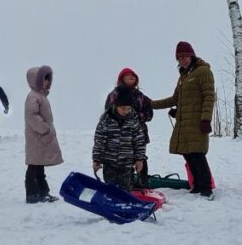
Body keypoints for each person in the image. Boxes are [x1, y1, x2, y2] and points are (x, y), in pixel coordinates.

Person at [152, 41, 216, 199]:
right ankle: (197, 185)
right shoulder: (183, 77)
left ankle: (206, 188)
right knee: (188, 154)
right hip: (184, 122)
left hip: (197, 121)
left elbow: (209, 97)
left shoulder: (203, 72)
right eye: (179, 58)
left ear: (192, 55)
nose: (182, 60)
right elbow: (175, 99)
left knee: (197, 154)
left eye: (185, 56)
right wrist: (151, 104)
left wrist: (206, 119)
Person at [104, 67, 153, 185]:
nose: (131, 77)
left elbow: (149, 113)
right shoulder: (114, 94)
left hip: (139, 133)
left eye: (133, 75)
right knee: (124, 159)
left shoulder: (141, 95)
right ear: (121, 79)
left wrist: (137, 117)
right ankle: (126, 184)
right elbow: (108, 112)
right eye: (127, 75)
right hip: (120, 134)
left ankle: (143, 184)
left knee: (141, 158)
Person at [92, 86, 146, 190]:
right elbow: (99, 141)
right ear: (115, 106)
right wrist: (96, 159)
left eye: (128, 108)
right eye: (123, 108)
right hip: (109, 162)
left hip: (126, 163)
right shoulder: (105, 121)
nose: (126, 111)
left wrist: (139, 159)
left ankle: (124, 205)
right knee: (110, 188)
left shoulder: (134, 121)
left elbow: (139, 141)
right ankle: (109, 205)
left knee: (125, 189)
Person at [24, 65, 63, 203]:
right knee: (34, 167)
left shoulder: (41, 96)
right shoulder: (33, 97)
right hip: (37, 137)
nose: (47, 82)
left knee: (39, 167)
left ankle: (43, 193)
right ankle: (32, 194)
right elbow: (31, 116)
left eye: (48, 79)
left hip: (41, 137)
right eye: (44, 79)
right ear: (36, 80)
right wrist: (45, 128)